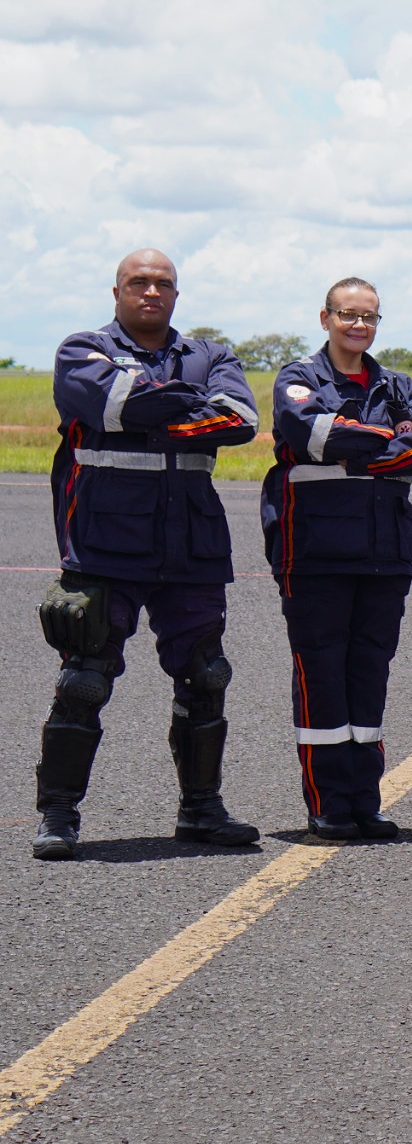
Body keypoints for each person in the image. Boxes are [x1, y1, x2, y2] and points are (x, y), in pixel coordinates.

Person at [34, 249, 263, 860]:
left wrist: (153, 405)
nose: (151, 292)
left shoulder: (210, 354)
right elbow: (109, 406)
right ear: (116, 291)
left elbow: (240, 419)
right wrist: (186, 404)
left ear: (177, 295)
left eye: (163, 284)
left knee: (206, 675)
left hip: (190, 545)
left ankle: (201, 811)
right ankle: (58, 816)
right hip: (105, 546)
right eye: (139, 282)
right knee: (84, 680)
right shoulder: (81, 349)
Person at [264, 278, 412, 840]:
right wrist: (386, 440)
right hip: (314, 549)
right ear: (325, 318)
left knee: (369, 672)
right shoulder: (299, 379)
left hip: (384, 551)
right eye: (348, 315)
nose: (359, 326)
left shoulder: (397, 383)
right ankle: (328, 804)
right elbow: (311, 432)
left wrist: (359, 443)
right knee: (321, 672)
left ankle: (365, 800)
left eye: (370, 317)